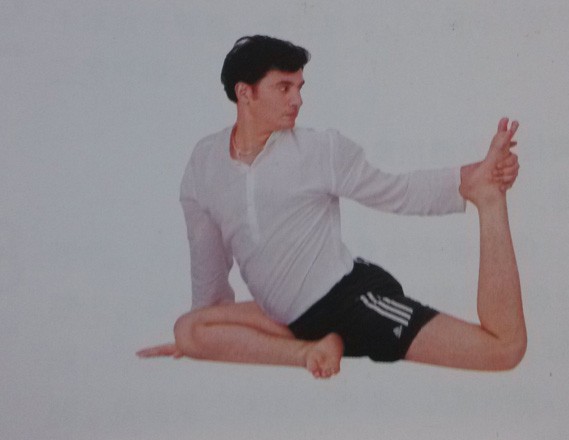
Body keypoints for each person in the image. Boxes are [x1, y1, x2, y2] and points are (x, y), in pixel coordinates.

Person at [137, 35, 526, 379]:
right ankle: (313, 350)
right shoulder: (205, 163)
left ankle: (490, 202)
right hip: (287, 319)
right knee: (188, 329)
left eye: (300, 87)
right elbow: (207, 265)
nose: (298, 100)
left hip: (348, 302)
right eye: (284, 87)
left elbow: (397, 192)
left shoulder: (319, 149)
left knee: (502, 350)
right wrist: (208, 342)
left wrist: (472, 180)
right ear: (245, 92)